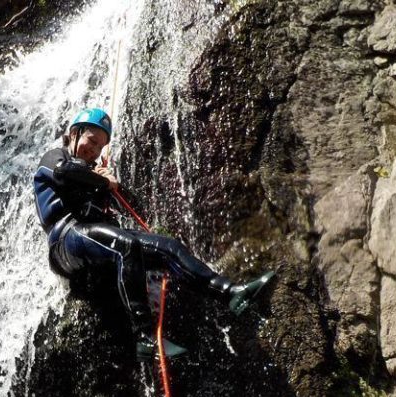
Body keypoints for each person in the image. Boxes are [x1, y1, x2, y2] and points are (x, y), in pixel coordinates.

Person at [33, 107, 274, 359]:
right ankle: (145, 338)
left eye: (99, 148)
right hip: (65, 241)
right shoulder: (54, 158)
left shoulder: (92, 174)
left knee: (168, 247)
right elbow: (63, 172)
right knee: (125, 245)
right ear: (74, 133)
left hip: (93, 239)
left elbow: (124, 203)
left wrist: (109, 185)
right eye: (91, 142)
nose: (93, 151)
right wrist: (101, 181)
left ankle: (230, 292)